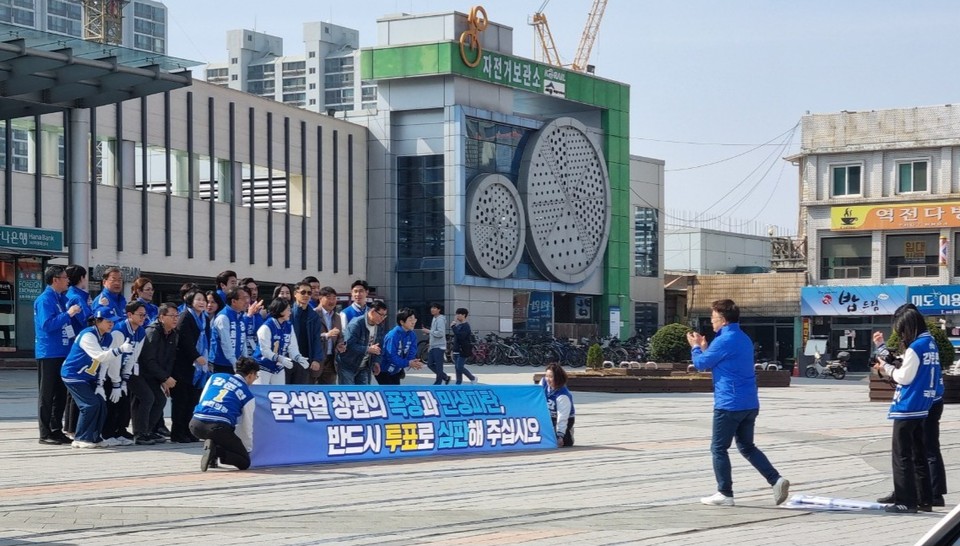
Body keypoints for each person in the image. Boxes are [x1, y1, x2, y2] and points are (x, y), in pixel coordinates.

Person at [687, 298, 790, 507]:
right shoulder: (742, 338)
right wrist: (707, 347)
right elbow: (721, 361)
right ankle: (775, 479)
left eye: (714, 318)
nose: (712, 322)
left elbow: (700, 364)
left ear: (723, 320)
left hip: (729, 403)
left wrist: (696, 347)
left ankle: (725, 493)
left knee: (718, 448)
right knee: (747, 446)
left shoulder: (724, 340)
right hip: (749, 402)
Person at [872, 304, 941, 513]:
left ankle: (905, 501)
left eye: (902, 329)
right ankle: (924, 499)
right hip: (924, 405)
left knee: (901, 455)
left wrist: (886, 368)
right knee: (919, 453)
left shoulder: (915, 347)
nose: (901, 334)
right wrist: (885, 351)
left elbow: (904, 376)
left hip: (908, 406)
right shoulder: (930, 343)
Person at [60, 308, 133, 448]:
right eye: (108, 321)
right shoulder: (88, 335)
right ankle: (81, 438)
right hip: (73, 375)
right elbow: (99, 356)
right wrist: (120, 350)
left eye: (113, 321)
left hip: (89, 377)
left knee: (101, 405)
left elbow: (105, 362)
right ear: (98, 321)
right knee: (89, 405)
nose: (111, 324)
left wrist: (100, 384)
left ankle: (95, 436)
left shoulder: (108, 337)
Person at [34, 265, 81, 445]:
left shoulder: (60, 298)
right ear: (55, 280)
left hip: (63, 351)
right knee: (47, 394)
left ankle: (56, 430)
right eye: (64, 277)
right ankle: (45, 432)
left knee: (60, 393)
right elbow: (47, 325)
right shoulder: (45, 299)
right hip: (49, 352)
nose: (68, 280)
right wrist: (68, 314)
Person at [189, 356, 259, 472]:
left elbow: (202, 399)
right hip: (218, 428)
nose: (255, 379)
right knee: (244, 461)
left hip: (195, 424)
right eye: (256, 376)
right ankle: (215, 451)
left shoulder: (215, 377)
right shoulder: (247, 395)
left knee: (223, 431)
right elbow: (247, 426)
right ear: (251, 374)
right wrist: (246, 449)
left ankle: (212, 456)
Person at [130, 303, 180, 445]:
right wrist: (164, 377)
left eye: (177, 316)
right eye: (172, 316)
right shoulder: (153, 332)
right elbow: (148, 360)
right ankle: (140, 434)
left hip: (155, 374)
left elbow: (170, 359)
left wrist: (165, 379)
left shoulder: (173, 334)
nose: (176, 319)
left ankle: (148, 431)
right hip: (139, 372)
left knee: (160, 400)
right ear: (162, 317)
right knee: (148, 398)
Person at [101, 300, 147, 447]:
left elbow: (134, 356)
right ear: (129, 314)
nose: (143, 318)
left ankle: (120, 430)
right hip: (108, 371)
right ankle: (107, 433)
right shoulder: (119, 331)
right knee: (111, 403)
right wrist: (116, 382)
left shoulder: (141, 331)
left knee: (124, 403)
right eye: (140, 315)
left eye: (144, 315)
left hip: (122, 372)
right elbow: (113, 359)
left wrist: (125, 379)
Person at [171, 289, 209, 443]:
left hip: (197, 367)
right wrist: (196, 356)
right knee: (181, 400)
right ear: (191, 301)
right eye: (198, 299)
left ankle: (189, 431)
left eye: (204, 300)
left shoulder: (204, 319)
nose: (202, 302)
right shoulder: (185, 316)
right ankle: (178, 433)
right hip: (183, 365)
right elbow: (184, 341)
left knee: (193, 400)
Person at [63, 264, 93, 437]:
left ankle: (70, 426)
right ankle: (72, 427)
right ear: (82, 278)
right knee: (77, 386)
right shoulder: (77, 297)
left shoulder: (75, 295)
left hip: (77, 344)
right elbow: (86, 320)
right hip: (82, 346)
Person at [253, 298, 309, 385]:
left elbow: (292, 347)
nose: (290, 313)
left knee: (279, 393)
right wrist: (280, 358)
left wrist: (298, 358)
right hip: (262, 366)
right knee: (261, 392)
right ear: (281, 310)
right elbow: (265, 351)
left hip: (279, 367)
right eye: (288, 310)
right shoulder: (266, 327)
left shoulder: (289, 326)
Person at [337, 300, 388, 385]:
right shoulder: (356, 324)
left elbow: (380, 347)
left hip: (365, 366)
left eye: (384, 316)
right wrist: (368, 349)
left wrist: (376, 362)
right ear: (372, 311)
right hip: (348, 365)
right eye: (381, 315)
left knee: (364, 393)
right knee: (349, 394)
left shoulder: (379, 326)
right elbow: (349, 345)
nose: (382, 318)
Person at [377, 307, 425, 385]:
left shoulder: (412, 335)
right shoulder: (393, 335)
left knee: (396, 393)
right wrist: (408, 363)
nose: (413, 322)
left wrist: (413, 362)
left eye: (414, 319)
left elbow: (412, 352)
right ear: (402, 322)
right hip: (384, 370)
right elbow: (391, 356)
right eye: (410, 320)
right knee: (389, 394)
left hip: (396, 370)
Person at [209, 287, 250, 375]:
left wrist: (245, 361)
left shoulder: (240, 316)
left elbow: (243, 341)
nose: (246, 301)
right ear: (233, 301)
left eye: (247, 298)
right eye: (243, 299)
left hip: (236, 364)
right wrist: (235, 364)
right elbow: (226, 343)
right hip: (221, 364)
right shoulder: (223, 317)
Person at [290, 282, 324, 384]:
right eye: (303, 292)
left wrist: (317, 359)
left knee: (301, 392)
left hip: (305, 359)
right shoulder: (288, 313)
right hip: (288, 358)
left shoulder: (314, 316)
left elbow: (316, 339)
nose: (306, 295)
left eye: (309, 293)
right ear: (295, 294)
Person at [315, 285, 345, 385]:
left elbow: (340, 336)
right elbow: (310, 338)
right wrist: (327, 335)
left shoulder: (337, 317)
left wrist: (340, 345)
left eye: (334, 298)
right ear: (320, 298)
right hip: (316, 359)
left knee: (329, 392)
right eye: (328, 298)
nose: (332, 301)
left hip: (331, 360)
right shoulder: (313, 314)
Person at [540, 362, 575, 447]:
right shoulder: (543, 383)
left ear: (558, 378)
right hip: (548, 417)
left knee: (560, 442)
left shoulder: (563, 395)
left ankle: (568, 433)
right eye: (547, 376)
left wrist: (560, 436)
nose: (548, 379)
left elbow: (562, 416)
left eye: (551, 377)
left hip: (563, 419)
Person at [421, 302, 450, 385]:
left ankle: (438, 382)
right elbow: (435, 332)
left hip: (439, 346)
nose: (432, 309)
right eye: (432, 308)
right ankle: (445, 377)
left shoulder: (440, 319)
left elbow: (441, 333)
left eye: (434, 308)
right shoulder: (434, 318)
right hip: (433, 346)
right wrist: (429, 334)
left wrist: (429, 331)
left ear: (439, 310)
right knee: (430, 364)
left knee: (438, 365)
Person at [450, 308, 478, 385]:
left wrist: (453, 327)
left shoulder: (466, 326)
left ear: (464, 315)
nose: (457, 316)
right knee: (457, 368)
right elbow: (456, 338)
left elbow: (461, 336)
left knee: (459, 367)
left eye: (459, 314)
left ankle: (472, 378)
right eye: (457, 314)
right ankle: (458, 383)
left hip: (463, 350)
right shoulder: (458, 325)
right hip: (456, 349)